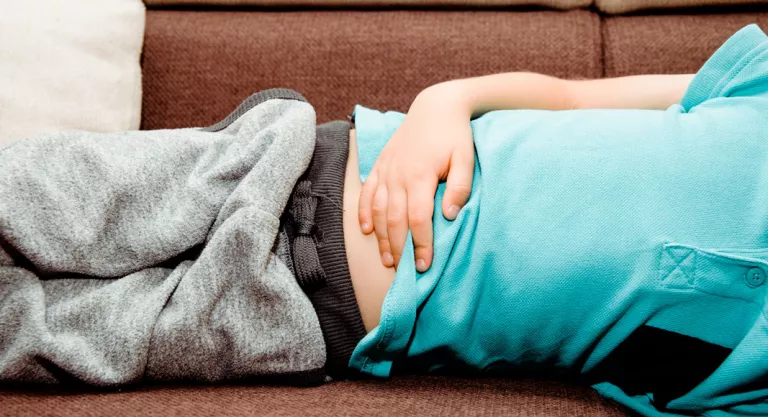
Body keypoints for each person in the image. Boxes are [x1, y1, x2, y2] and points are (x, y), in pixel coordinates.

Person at [0, 21, 765, 417]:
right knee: (32, 191)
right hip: (299, 162)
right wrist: (447, 101)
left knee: (41, 334)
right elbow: (566, 95)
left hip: (306, 316)